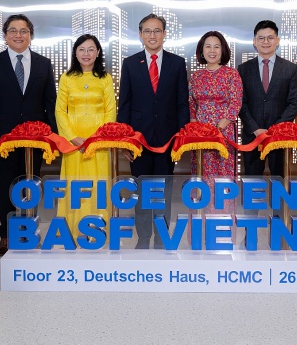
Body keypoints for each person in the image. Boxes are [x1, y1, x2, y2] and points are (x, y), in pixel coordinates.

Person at [0, 14, 57, 257]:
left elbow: (50, 104)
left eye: (24, 31)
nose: (18, 35)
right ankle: (6, 236)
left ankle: (28, 233)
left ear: (31, 35)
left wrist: (53, 138)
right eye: (13, 30)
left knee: (31, 186)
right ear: (5, 36)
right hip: (5, 140)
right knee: (6, 186)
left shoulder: (44, 64)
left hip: (36, 139)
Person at [118, 13, 190, 249]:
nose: (152, 35)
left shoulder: (177, 63)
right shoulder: (130, 63)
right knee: (140, 190)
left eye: (157, 31)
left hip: (167, 139)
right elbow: (125, 104)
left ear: (164, 34)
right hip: (139, 140)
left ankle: (161, 237)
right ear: (140, 35)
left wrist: (181, 138)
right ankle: (143, 237)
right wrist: (125, 141)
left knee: (163, 191)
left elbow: (182, 103)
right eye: (147, 31)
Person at [55, 35, 116, 238]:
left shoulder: (105, 78)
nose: (86, 54)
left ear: (98, 52)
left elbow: (110, 111)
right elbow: (60, 111)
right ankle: (71, 231)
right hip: (74, 143)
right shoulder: (67, 78)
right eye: (82, 49)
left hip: (99, 143)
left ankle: (98, 231)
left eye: (91, 49)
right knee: (74, 185)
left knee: (99, 185)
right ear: (75, 52)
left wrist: (97, 139)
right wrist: (72, 137)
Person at [238, 20, 297, 181]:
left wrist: (275, 129)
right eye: (261, 38)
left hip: (279, 137)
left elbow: (294, 102)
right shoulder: (243, 69)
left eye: (270, 38)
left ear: (277, 40)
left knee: (280, 182)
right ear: (254, 41)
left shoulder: (290, 68)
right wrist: (255, 128)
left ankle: (279, 200)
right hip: (252, 136)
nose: (265, 42)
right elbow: (240, 102)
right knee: (252, 183)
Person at [189, 31, 242, 217]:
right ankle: (200, 223)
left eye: (216, 47)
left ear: (223, 50)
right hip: (200, 136)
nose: (212, 51)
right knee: (201, 176)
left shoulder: (232, 74)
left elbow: (236, 103)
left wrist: (219, 127)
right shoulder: (196, 76)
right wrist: (195, 127)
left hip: (223, 134)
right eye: (208, 46)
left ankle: (222, 223)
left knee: (222, 179)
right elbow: (191, 104)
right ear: (202, 51)